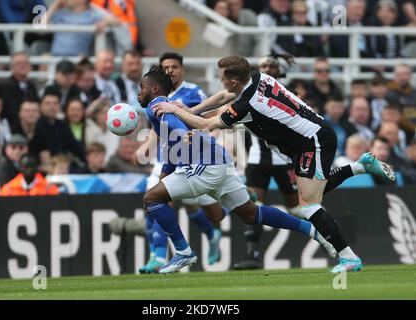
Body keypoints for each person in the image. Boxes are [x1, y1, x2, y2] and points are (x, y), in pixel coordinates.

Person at [153, 55, 397, 273]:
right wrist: (191, 108)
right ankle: (360, 166)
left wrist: (173, 109)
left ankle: (349, 258)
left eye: (222, 79)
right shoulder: (257, 78)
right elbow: (224, 96)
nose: (221, 83)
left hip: (313, 142)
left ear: (234, 80)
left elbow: (207, 125)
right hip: (307, 139)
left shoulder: (247, 105)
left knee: (309, 206)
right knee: (312, 192)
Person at [139, 65, 336, 273]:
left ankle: (183, 252)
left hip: (205, 167)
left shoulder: (156, 105)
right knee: (250, 214)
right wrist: (166, 171)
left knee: (151, 198)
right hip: (219, 163)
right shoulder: (166, 106)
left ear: (154, 89)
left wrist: (182, 135)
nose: (138, 91)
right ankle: (313, 230)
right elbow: (173, 145)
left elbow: (177, 129)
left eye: (141, 86)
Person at [136, 52, 223, 273]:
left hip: (195, 157)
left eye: (174, 67)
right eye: (166, 67)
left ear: (182, 69)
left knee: (211, 213)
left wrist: (197, 136)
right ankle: (157, 255)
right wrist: (147, 145)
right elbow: (160, 128)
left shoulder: (192, 93)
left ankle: (212, 234)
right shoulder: (152, 100)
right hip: (167, 158)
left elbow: (204, 118)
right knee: (157, 200)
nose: (170, 71)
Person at [233, 54, 300, 270]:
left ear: (280, 70)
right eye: (264, 66)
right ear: (257, 70)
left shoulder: (291, 95)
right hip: (257, 161)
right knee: (253, 206)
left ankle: (326, 236)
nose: (268, 69)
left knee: (298, 208)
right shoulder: (250, 95)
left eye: (272, 66)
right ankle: (252, 256)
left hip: (286, 161)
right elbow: (243, 131)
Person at [44, 0, 119, 57]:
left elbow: (117, 21)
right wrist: (56, 4)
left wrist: (104, 22)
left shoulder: (91, 15)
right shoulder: (60, 14)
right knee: (45, 57)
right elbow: (39, 27)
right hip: (56, 57)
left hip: (78, 58)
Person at [0, 52, 39, 125]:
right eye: (19, 63)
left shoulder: (31, 86)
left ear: (30, 67)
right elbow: (10, 111)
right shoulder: (5, 86)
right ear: (12, 67)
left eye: (26, 63)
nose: (23, 66)